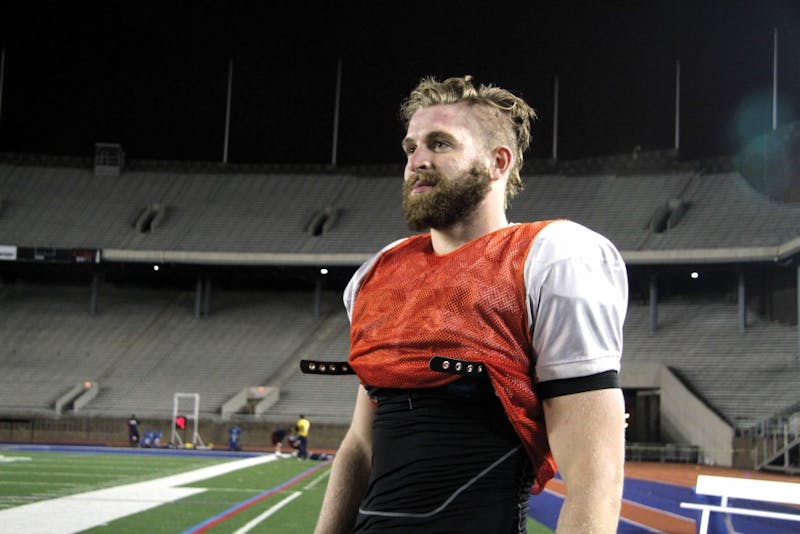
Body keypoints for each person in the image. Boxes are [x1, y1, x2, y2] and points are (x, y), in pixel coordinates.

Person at [315, 75, 628, 533]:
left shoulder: (548, 258)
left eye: (439, 144)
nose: (417, 161)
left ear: (498, 162)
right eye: (410, 148)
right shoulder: (378, 273)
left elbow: (594, 479)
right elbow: (360, 446)